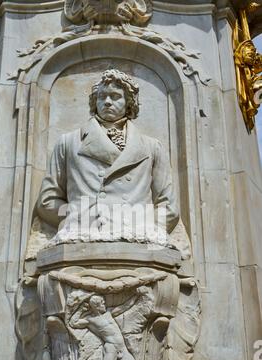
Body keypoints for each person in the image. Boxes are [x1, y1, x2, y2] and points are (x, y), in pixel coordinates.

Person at [36, 69, 180, 247]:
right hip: (81, 239)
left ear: (129, 103)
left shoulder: (152, 147)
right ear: (94, 102)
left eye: (115, 96)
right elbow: (47, 201)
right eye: (102, 96)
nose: (107, 102)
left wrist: (150, 228)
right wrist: (77, 216)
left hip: (138, 240)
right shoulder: (68, 142)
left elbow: (169, 205)